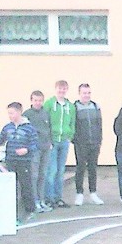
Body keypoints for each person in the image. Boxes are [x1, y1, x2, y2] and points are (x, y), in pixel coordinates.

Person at [0, 102, 38, 225]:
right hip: (10, 161)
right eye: (8, 113)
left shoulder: (29, 128)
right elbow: (1, 140)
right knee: (12, 188)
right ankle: (13, 214)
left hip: (24, 162)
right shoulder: (7, 128)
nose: (10, 115)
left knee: (26, 186)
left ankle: (30, 210)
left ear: (19, 112)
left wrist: (26, 150)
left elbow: (35, 144)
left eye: (12, 113)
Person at [43, 80, 76, 208]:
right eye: (59, 89)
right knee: (52, 170)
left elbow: (72, 123)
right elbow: (45, 121)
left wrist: (70, 136)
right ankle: (49, 197)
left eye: (64, 89)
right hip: (52, 141)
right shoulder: (49, 104)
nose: (61, 91)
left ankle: (58, 197)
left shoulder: (70, 106)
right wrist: (48, 139)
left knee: (61, 170)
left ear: (66, 90)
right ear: (55, 89)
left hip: (64, 141)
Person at [73, 83, 104, 206]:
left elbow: (99, 125)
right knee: (80, 168)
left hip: (94, 143)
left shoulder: (96, 106)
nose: (86, 95)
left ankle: (93, 193)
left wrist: (99, 140)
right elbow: (72, 125)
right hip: (81, 144)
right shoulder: (74, 107)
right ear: (79, 93)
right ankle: (79, 193)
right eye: (84, 93)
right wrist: (75, 140)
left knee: (93, 168)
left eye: (88, 93)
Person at [24, 90, 53, 212]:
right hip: (34, 149)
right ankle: (34, 201)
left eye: (40, 100)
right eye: (35, 100)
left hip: (46, 148)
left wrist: (50, 142)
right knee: (34, 176)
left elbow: (49, 128)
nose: (38, 102)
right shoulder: (27, 114)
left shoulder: (46, 113)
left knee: (43, 175)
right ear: (31, 101)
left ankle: (41, 200)